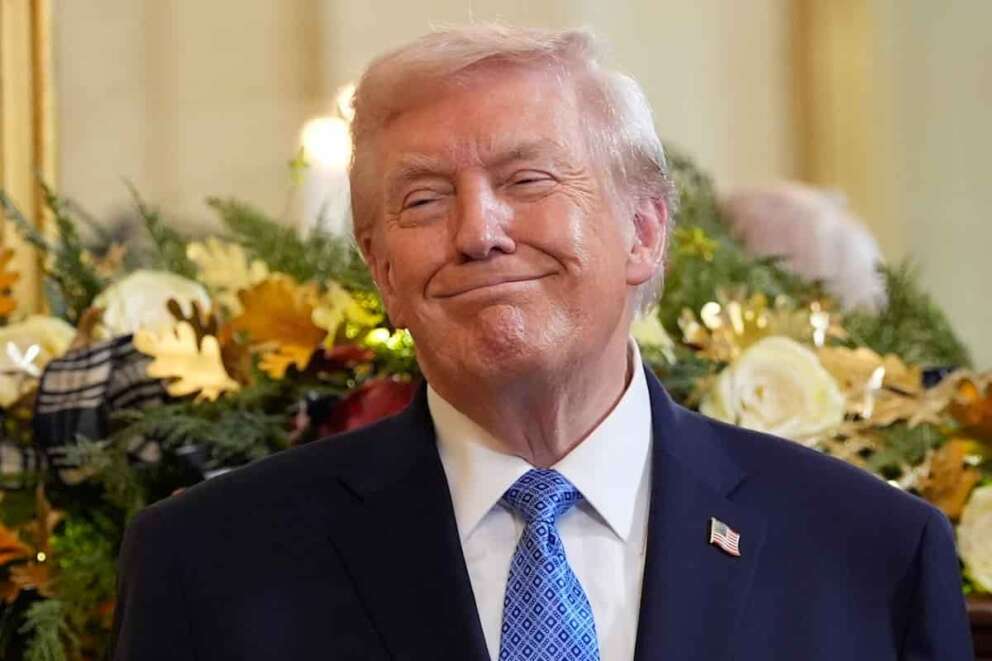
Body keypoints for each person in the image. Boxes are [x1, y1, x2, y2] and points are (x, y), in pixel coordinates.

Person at [110, 24, 972, 661]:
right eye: (421, 200)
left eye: (527, 179)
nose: (479, 231)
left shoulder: (868, 550)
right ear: (381, 272)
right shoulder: (212, 562)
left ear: (643, 232)